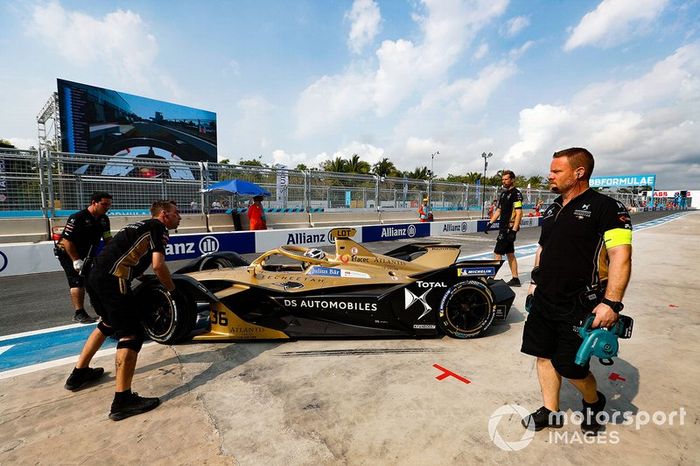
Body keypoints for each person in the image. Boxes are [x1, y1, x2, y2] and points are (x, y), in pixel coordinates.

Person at [520, 148, 632, 436]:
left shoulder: (608, 208)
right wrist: (534, 282)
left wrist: (612, 302)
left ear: (579, 172)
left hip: (581, 303)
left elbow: (621, 255)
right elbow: (543, 249)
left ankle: (593, 402)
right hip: (545, 298)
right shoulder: (553, 207)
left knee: (571, 367)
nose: (550, 175)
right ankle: (551, 411)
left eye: (557, 171)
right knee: (542, 355)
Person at [64, 200, 181, 421]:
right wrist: (173, 291)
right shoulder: (158, 227)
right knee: (132, 333)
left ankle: (79, 374)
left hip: (94, 276)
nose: (180, 217)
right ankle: (122, 400)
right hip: (112, 280)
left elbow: (123, 253)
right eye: (177, 213)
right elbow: (158, 265)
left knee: (107, 323)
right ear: (164, 214)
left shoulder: (138, 225)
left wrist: (137, 276)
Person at [54, 192, 113, 323]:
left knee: (94, 280)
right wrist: (75, 260)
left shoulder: (104, 219)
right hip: (68, 252)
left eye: (109, 205)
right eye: (104, 204)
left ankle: (101, 309)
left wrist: (114, 251)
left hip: (88, 253)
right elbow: (67, 241)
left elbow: (108, 238)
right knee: (77, 281)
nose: (107, 207)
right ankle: (79, 313)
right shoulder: (77, 218)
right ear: (94, 203)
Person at [485, 171, 523, 287]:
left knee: (497, 253)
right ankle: (515, 279)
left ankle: (491, 278)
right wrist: (490, 223)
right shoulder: (503, 194)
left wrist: (514, 230)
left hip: (508, 228)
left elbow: (519, 213)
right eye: (503, 179)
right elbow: (499, 210)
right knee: (510, 253)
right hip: (503, 227)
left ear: (512, 180)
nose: (504, 181)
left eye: (506, 179)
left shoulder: (516, 194)